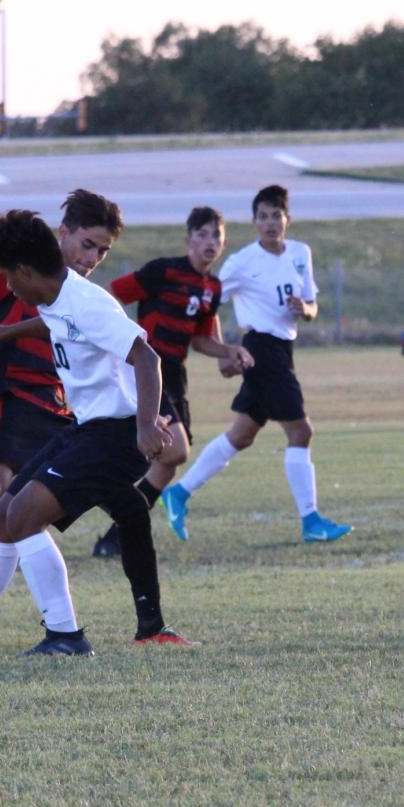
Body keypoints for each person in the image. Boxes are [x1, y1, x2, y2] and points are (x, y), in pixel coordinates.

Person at [0, 210, 175, 656]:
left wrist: (146, 423)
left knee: (26, 515)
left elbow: (147, 359)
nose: (7, 287)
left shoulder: (88, 300)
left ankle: (66, 636)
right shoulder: (57, 297)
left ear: (26, 271)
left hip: (118, 435)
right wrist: (7, 332)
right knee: (3, 513)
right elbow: (55, 323)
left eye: (9, 277)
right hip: (87, 428)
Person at [160, 185, 352, 544]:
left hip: (283, 348)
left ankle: (179, 493)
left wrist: (305, 309)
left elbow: (312, 307)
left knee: (242, 435)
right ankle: (311, 521)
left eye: (276, 215)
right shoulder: (242, 262)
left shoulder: (300, 253)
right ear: (254, 222)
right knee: (301, 432)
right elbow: (209, 301)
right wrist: (222, 349)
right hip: (260, 350)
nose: (269, 223)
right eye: (262, 216)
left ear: (287, 219)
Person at [89, 206, 254, 559]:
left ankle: (115, 537)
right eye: (204, 235)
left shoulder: (212, 286)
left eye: (218, 238)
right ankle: (104, 484)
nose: (211, 243)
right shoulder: (163, 271)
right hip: (146, 368)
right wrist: (119, 339)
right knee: (175, 449)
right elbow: (111, 293)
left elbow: (201, 339)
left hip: (175, 374)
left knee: (168, 461)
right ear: (189, 239)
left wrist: (229, 351)